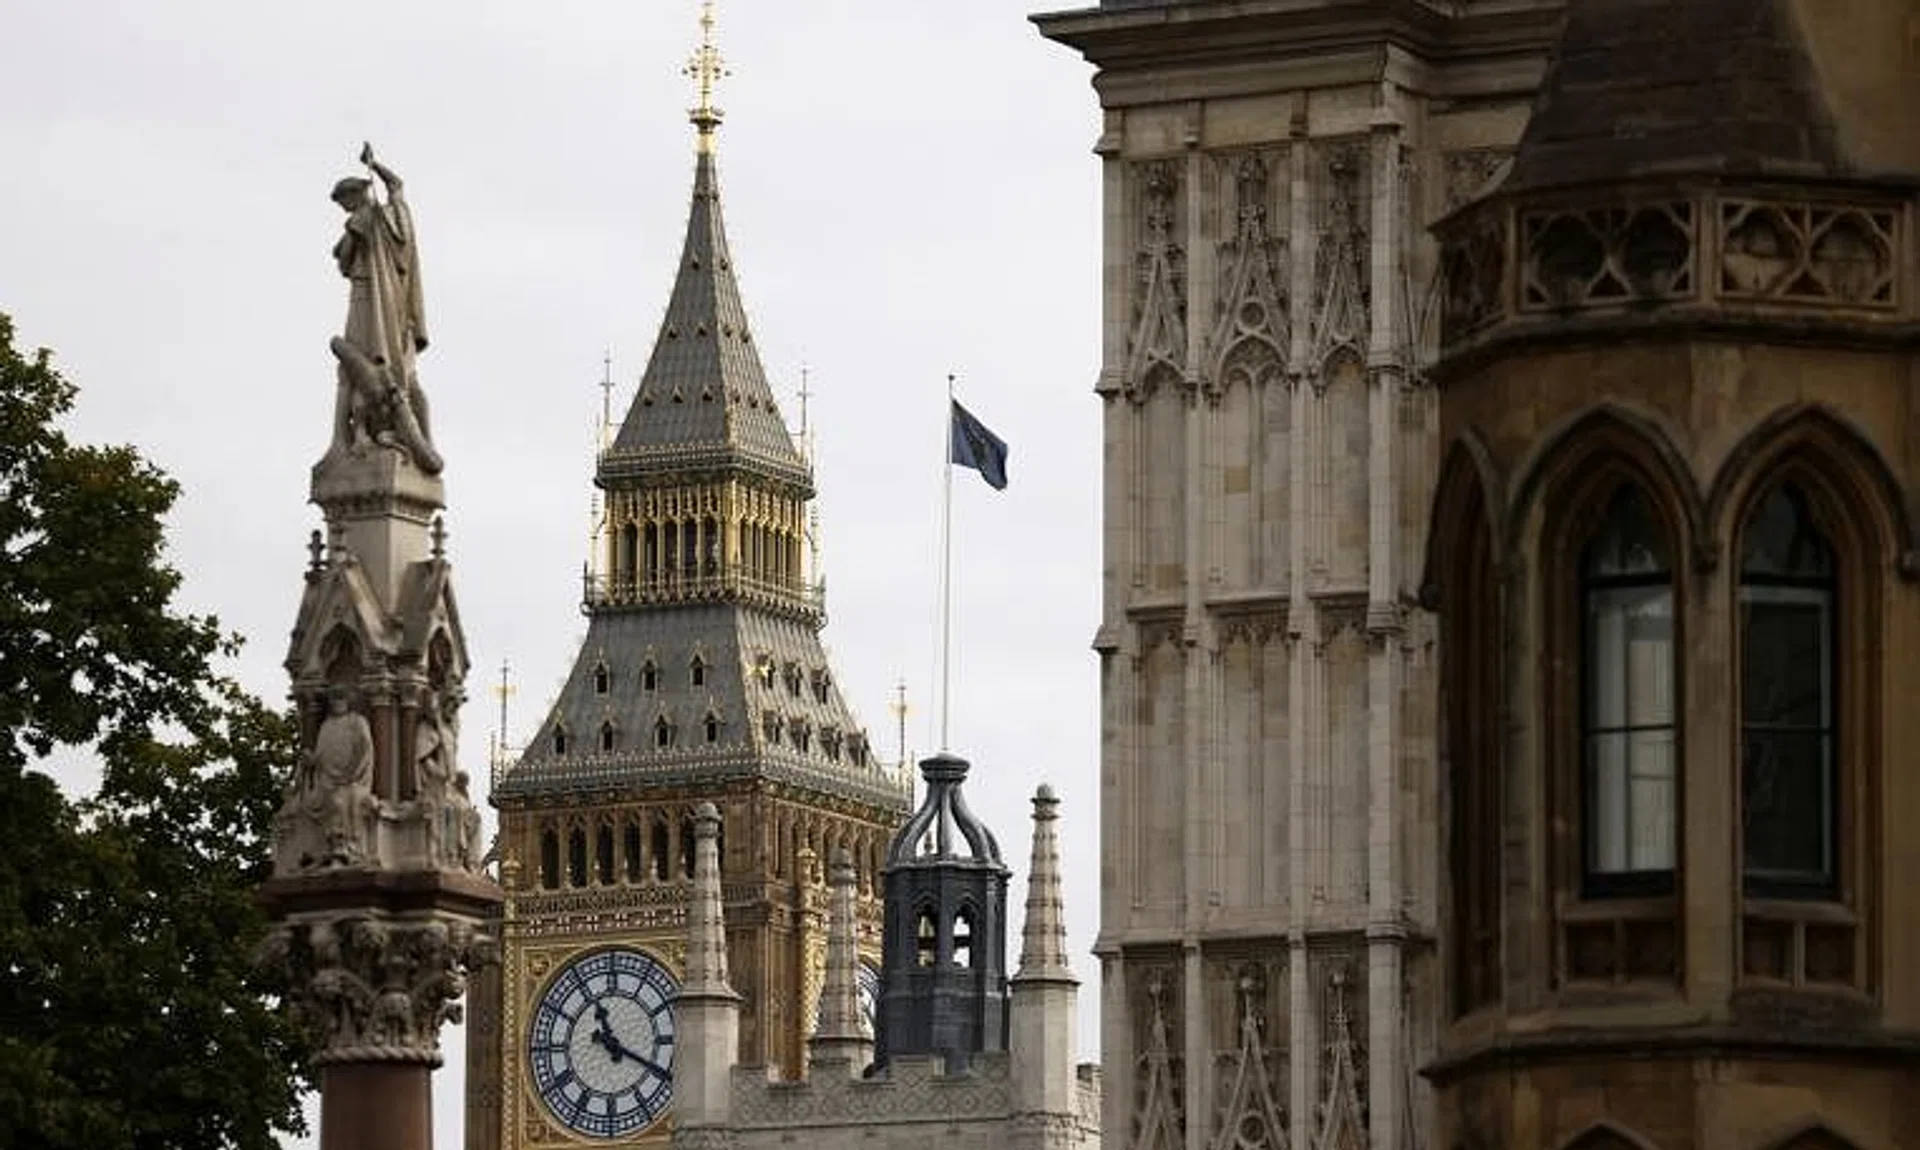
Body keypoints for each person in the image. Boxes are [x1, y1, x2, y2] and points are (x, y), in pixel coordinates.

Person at [328, 143, 442, 473]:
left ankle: (364, 433)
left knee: (360, 367)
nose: (346, 210)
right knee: (383, 372)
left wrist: (374, 166)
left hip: (372, 300)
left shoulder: (370, 218)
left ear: (354, 197)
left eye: (345, 203)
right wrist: (376, 165)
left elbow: (344, 259)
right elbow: (396, 186)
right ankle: (361, 436)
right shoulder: (391, 215)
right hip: (385, 305)